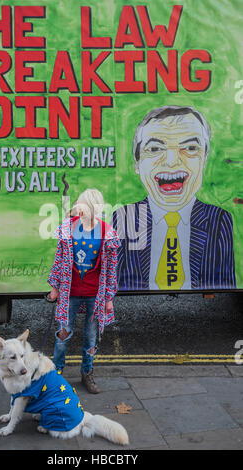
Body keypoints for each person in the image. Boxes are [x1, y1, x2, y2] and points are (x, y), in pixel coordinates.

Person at [112, 105, 236, 291]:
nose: (171, 161)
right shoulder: (125, 217)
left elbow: (223, 287)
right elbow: (115, 284)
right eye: (154, 148)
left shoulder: (218, 220)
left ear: (204, 159)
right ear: (137, 162)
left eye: (190, 148)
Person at [48, 189, 120, 393]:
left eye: (81, 204)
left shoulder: (107, 233)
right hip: (69, 293)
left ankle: (86, 373)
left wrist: (109, 298)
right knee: (63, 335)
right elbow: (59, 260)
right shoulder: (67, 229)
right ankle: (56, 376)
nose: (77, 208)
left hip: (94, 296)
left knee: (90, 337)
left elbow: (111, 269)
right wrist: (54, 288)